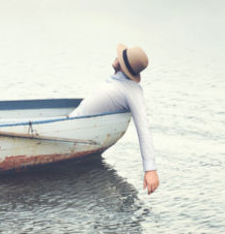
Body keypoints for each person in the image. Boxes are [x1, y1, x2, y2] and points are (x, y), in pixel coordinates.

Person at [69, 43, 160, 194]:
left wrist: (150, 170)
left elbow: (143, 128)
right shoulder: (116, 80)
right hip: (71, 122)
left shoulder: (132, 91)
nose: (116, 56)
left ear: (122, 66)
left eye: (120, 57)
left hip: (73, 131)